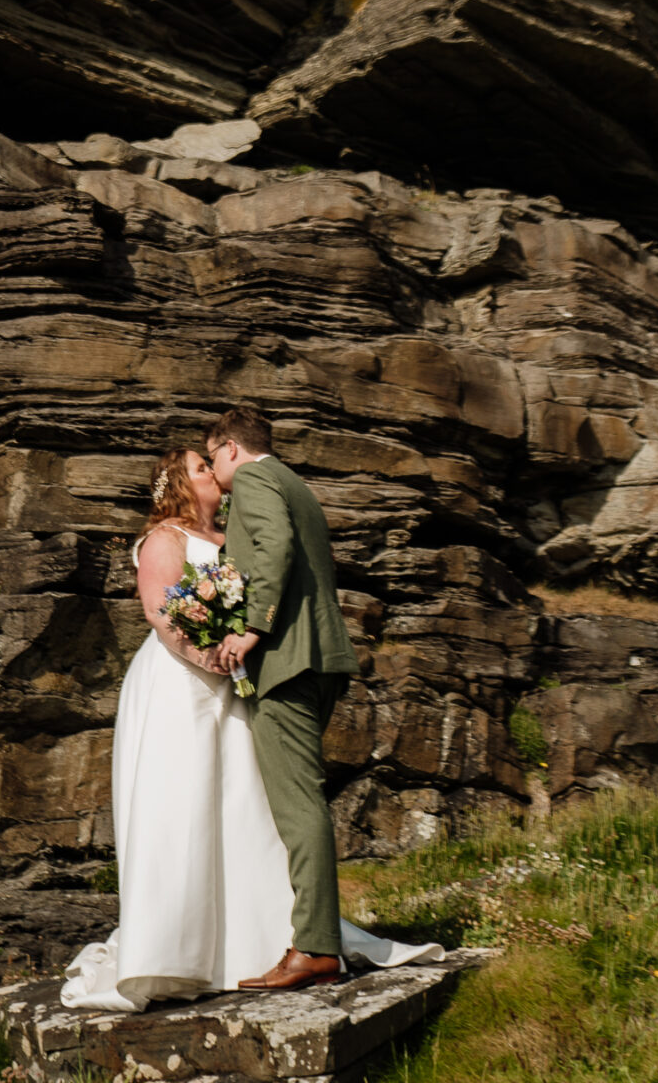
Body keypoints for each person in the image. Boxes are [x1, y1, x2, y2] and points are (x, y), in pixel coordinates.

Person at [61, 428, 440, 1011]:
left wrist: (234, 656)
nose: (212, 472)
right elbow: (163, 612)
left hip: (236, 681)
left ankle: (253, 941)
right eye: (199, 466)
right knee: (184, 806)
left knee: (245, 806)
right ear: (181, 482)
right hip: (181, 685)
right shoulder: (167, 536)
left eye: (211, 461)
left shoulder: (230, 531)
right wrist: (208, 657)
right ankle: (175, 949)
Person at [207, 404, 364, 991]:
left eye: (212, 458)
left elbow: (273, 551)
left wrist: (250, 628)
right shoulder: (297, 484)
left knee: (298, 805)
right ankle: (315, 938)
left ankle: (317, 948)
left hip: (288, 660)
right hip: (320, 657)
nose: (215, 473)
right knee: (304, 800)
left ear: (229, 448)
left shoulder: (253, 479)